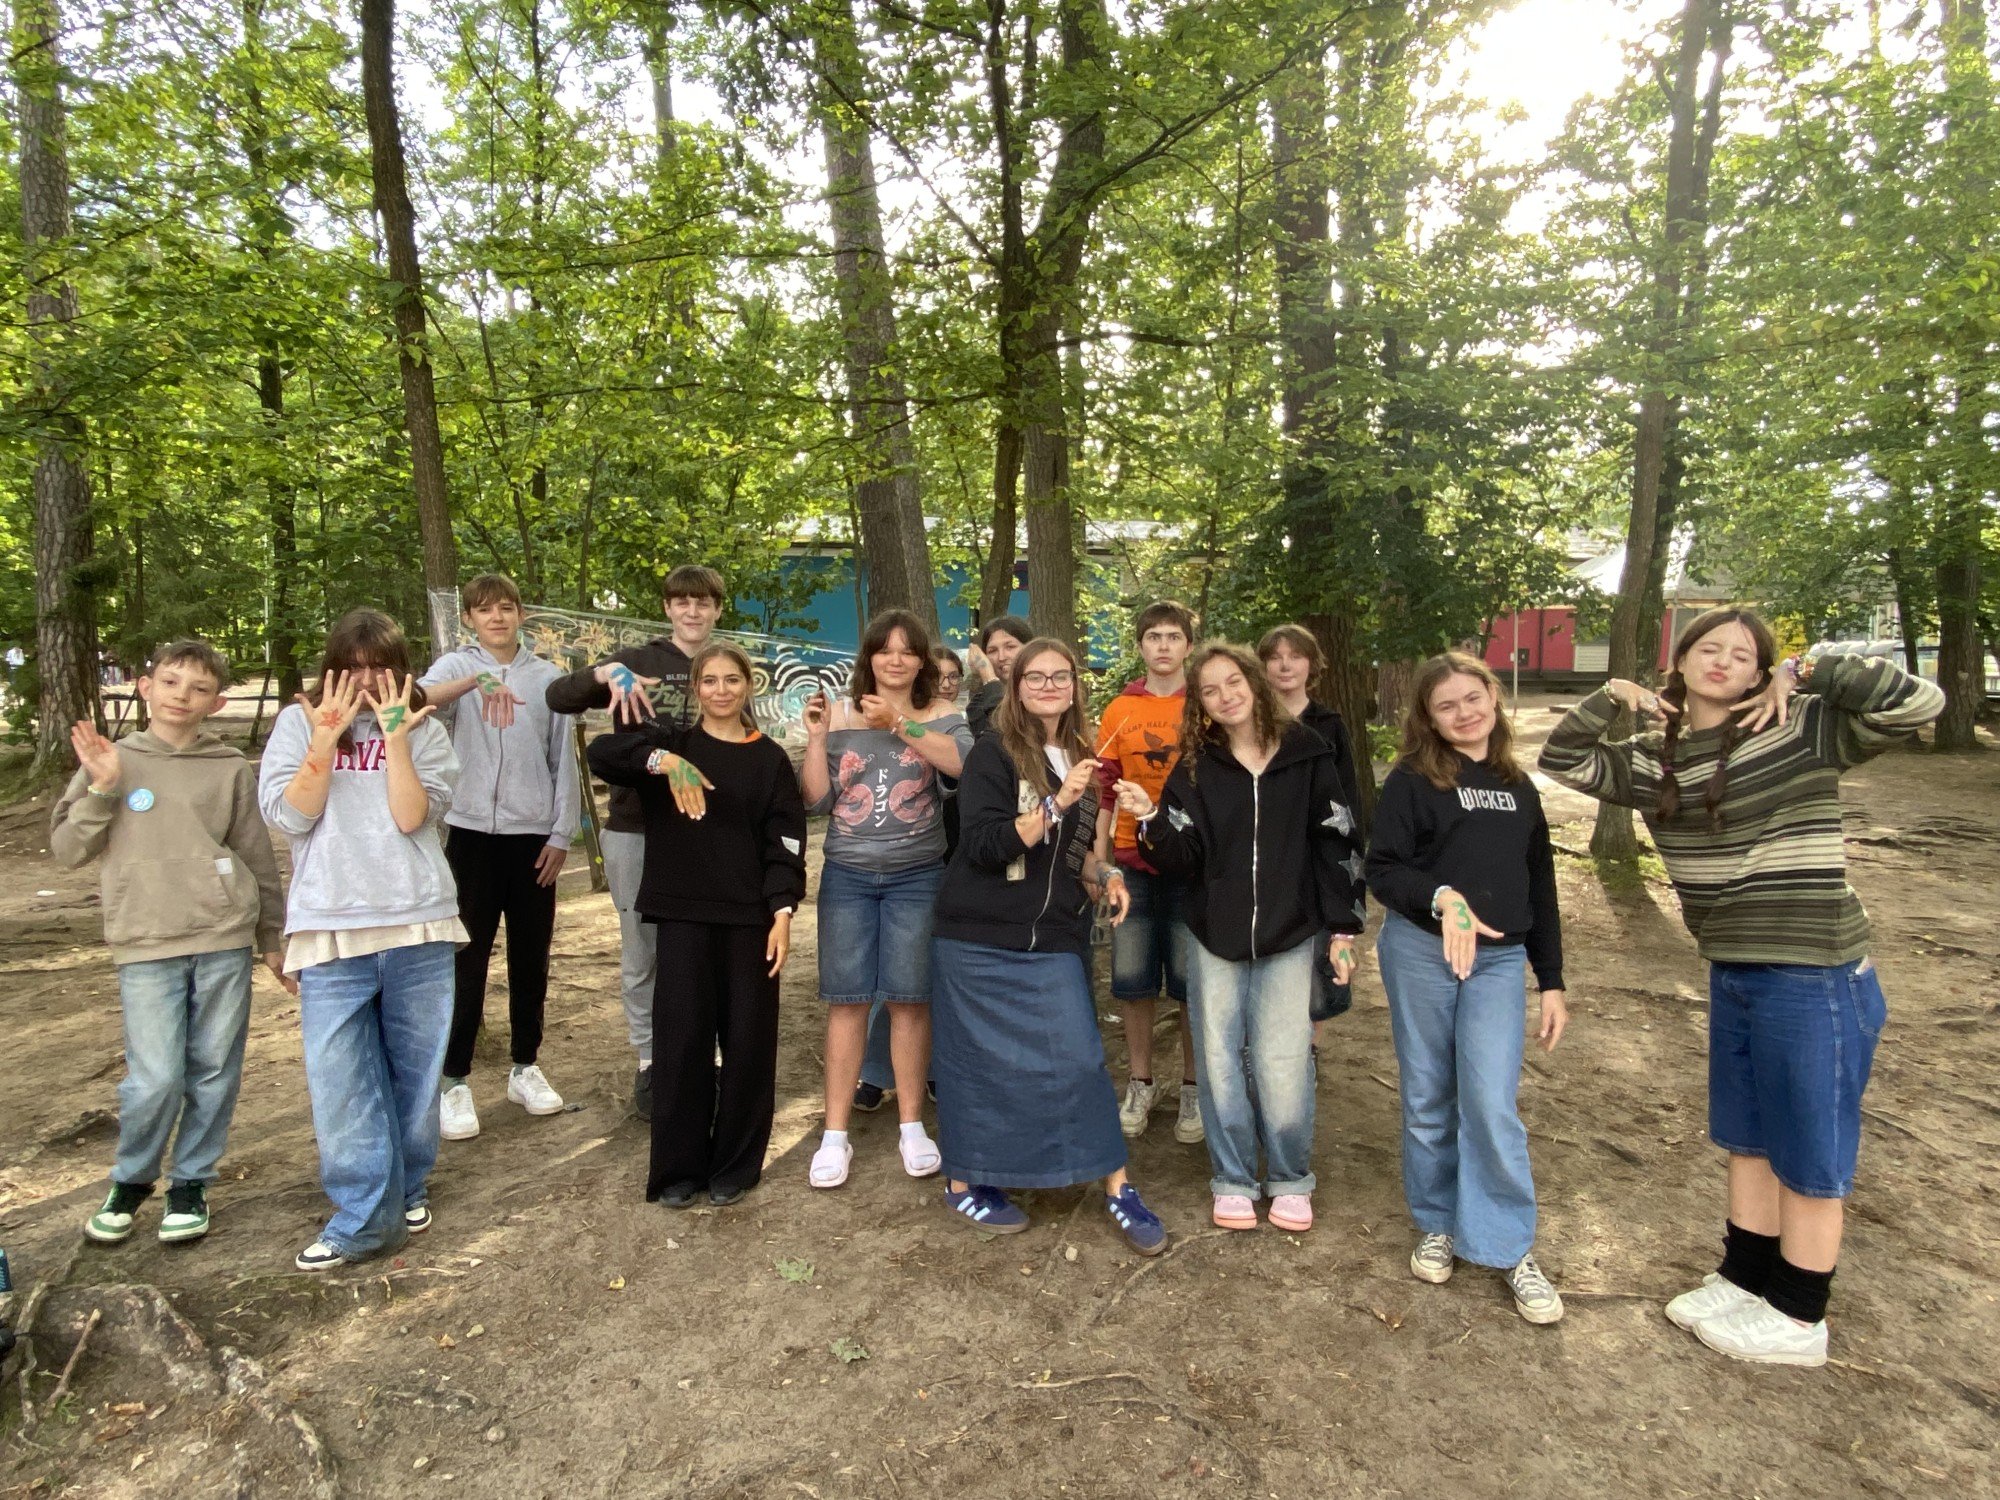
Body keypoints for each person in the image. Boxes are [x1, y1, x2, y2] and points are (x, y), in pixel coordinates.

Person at [1541, 610, 1943, 1367]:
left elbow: (1921, 704)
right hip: (1733, 967)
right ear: (1681, 660)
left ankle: (1798, 1313)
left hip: (1813, 969)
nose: (1723, 661)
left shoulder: (1803, 726)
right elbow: (1562, 758)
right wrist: (1613, 695)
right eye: (1708, 647)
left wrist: (1810, 668)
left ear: (1761, 671)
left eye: (1743, 654)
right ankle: (1745, 1277)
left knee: (1809, 1145)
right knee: (1749, 1136)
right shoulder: (1655, 757)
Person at [1114, 642, 1364, 1234]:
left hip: (1291, 931)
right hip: (1214, 934)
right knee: (1220, 1059)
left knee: (1283, 1059)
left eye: (1233, 682)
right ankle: (1232, 1178)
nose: (1225, 697)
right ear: (1199, 705)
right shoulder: (1196, 766)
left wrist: (1343, 927)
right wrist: (1149, 816)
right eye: (1209, 690)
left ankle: (1290, 1177)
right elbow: (1181, 857)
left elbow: (1337, 843)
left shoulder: (1308, 752)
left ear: (1253, 682)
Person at [930, 637, 1167, 1253]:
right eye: (1035, 677)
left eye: (1060, 676)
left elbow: (1077, 854)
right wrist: (1056, 802)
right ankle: (964, 1181)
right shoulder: (993, 751)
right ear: (1016, 687)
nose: (1048, 686)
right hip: (978, 936)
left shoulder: (1086, 754)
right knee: (978, 1069)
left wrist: (1106, 875)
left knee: (1080, 1061)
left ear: (1074, 685)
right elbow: (984, 845)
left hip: (1054, 936)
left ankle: (1118, 1187)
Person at [53, 641, 291, 1246]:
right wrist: (104, 788)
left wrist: (272, 934)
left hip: (222, 937)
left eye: (199, 687)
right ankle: (131, 1180)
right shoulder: (113, 758)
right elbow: (67, 850)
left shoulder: (228, 766)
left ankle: (190, 1183)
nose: (182, 695)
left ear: (217, 702)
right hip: (145, 939)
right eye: (170, 681)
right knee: (155, 1077)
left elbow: (254, 853)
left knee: (213, 1069)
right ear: (145, 687)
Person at [1365, 652, 1568, 1326]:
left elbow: (1540, 885)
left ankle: (1507, 1245)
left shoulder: (1519, 786)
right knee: (1428, 1095)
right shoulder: (1411, 781)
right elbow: (1383, 870)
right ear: (1428, 717)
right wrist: (1442, 896)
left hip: (1498, 962)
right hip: (1423, 952)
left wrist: (1552, 980)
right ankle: (1438, 1222)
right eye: (1445, 705)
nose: (1463, 713)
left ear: (1492, 697)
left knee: (1490, 1102)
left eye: (1472, 698)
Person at [259, 609, 462, 1272]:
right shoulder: (298, 724)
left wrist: (397, 739)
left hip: (418, 922)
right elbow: (292, 817)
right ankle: (364, 1218)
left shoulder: (426, 731)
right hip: (329, 925)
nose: (368, 680)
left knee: (415, 1073)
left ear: (401, 671)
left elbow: (411, 818)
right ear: (332, 671)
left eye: (381, 667)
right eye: (353, 667)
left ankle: (407, 1187)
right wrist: (324, 739)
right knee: (341, 1081)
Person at [588, 642, 806, 1208]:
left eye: (731, 679)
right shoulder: (672, 745)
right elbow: (604, 753)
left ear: (748, 686)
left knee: (748, 1043)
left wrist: (782, 912)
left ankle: (735, 1164)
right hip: (683, 916)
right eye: (709, 680)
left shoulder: (769, 759)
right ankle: (679, 1169)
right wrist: (664, 763)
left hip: (750, 921)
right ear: (695, 687)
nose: (721, 690)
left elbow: (785, 841)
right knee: (682, 1044)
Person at [545, 564, 725, 1120]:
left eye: (703, 602)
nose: (692, 611)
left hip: (706, 831)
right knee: (642, 952)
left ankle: (707, 1057)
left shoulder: (727, 667)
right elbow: (558, 696)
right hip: (636, 830)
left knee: (705, 950)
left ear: (718, 609)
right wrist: (605, 673)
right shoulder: (635, 662)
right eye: (682, 601)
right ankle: (651, 1061)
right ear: (667, 608)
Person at [801, 608, 972, 1188]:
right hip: (847, 874)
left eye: (907, 650)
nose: (895, 660)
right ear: (869, 658)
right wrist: (817, 739)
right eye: (884, 649)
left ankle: (911, 1125)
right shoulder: (838, 713)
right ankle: (835, 1134)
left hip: (917, 875)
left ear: (922, 661)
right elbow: (816, 800)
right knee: (846, 1000)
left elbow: (965, 766)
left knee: (909, 1000)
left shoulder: (944, 716)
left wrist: (899, 723)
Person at [420, 574, 579, 1139]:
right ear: (468, 619)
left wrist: (561, 834)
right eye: (484, 610)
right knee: (466, 958)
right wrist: (476, 681)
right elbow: (414, 702)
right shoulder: (452, 667)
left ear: (521, 615)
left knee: (531, 956)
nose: (497, 618)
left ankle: (525, 1066)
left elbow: (563, 759)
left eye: (506, 608)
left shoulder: (548, 679)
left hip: (533, 838)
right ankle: (454, 1080)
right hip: (470, 836)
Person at [1095, 601, 1201, 1142]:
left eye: (1173, 636)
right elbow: (1104, 792)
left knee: (1189, 982)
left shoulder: (1204, 705)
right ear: (1140, 646)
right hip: (1131, 862)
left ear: (1188, 646)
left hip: (1189, 864)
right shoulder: (1120, 710)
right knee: (1134, 980)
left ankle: (1193, 1087)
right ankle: (1140, 1081)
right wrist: (1100, 863)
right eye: (1153, 636)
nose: (1163, 645)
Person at [854, 643, 969, 1114]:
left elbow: (964, 764)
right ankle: (875, 1071)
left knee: (933, 972)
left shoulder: (965, 720)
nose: (946, 683)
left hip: (965, 858)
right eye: (938, 676)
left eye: (953, 675)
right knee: (895, 976)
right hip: (915, 859)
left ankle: (936, 1068)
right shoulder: (889, 719)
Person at [1258, 625, 1365, 1034]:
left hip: (1318, 862)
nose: (1285, 665)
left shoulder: (1329, 725)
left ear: (1312, 664)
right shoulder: (1251, 722)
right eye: (1275, 657)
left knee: (1317, 976)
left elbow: (1347, 802)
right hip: (1266, 860)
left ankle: (1310, 1051)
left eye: (1295, 656)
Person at [964, 615, 1031, 739]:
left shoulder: (1045, 691)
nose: (1001, 657)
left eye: (1010, 647)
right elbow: (1002, 738)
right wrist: (988, 676)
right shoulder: (979, 705)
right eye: (992, 650)